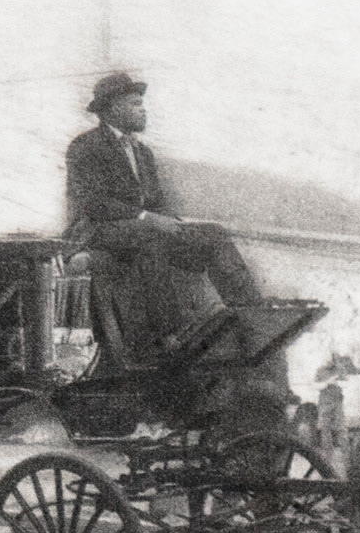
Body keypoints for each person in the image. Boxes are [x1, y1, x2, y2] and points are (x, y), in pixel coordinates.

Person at [63, 71, 261, 350]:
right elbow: (94, 202)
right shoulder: (85, 146)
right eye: (135, 103)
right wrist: (148, 218)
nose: (143, 110)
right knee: (150, 236)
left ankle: (249, 310)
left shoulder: (143, 153)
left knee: (213, 234)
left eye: (141, 103)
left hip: (139, 228)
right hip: (97, 230)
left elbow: (155, 202)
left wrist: (172, 222)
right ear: (112, 108)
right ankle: (167, 334)